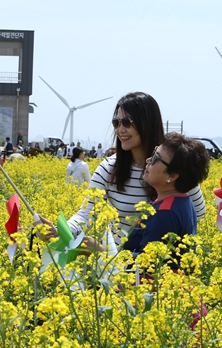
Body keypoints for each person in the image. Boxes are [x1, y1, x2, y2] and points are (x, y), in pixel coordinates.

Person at [38, 92, 206, 246]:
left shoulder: (174, 168)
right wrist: (59, 231)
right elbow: (86, 213)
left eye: (126, 122)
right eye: (116, 123)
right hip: (116, 266)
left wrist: (167, 242)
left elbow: (196, 213)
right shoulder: (109, 168)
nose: (120, 129)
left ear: (146, 123)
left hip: (158, 269)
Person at [84, 133, 210, 264]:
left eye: (156, 158)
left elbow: (147, 263)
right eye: (153, 152)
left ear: (172, 175)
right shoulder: (183, 200)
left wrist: (100, 251)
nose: (148, 160)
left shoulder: (165, 212)